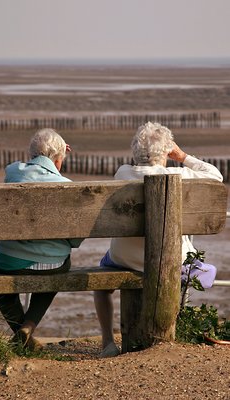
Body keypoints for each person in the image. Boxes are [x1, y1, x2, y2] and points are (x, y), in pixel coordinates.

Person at [94, 121, 223, 358]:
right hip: (170, 261)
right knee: (200, 269)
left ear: (135, 151)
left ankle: (107, 342)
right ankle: (174, 328)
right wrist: (182, 156)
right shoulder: (178, 173)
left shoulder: (122, 173)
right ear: (166, 151)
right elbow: (215, 175)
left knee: (102, 288)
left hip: (123, 259)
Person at [0, 128, 82, 350]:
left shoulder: (12, 173)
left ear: (32, 154)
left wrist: (56, 153)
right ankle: (28, 327)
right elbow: (75, 241)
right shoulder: (66, 186)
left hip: (9, 264)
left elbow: (35, 165)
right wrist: (59, 156)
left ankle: (20, 331)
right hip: (52, 265)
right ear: (59, 160)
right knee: (62, 266)